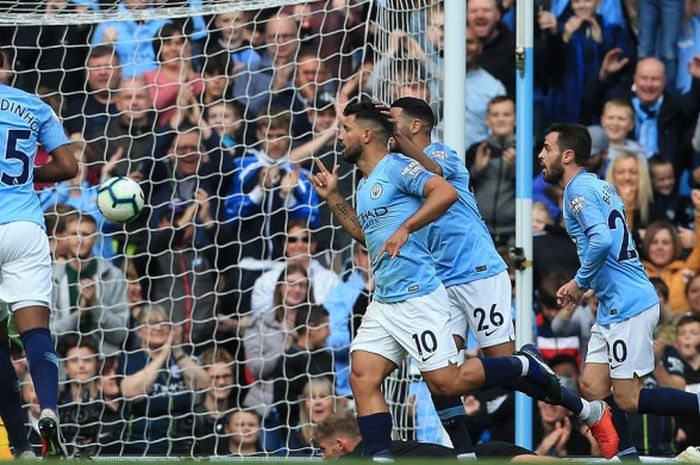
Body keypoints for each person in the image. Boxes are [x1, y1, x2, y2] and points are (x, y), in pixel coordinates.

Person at [306, 101, 564, 461]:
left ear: (366, 134)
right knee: (362, 376)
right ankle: (382, 458)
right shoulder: (365, 185)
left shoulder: (402, 165)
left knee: (446, 380)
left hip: (425, 291)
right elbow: (366, 237)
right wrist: (334, 196)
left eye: (346, 129)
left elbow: (445, 190)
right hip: (387, 298)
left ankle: (524, 365)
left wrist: (406, 228)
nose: (340, 136)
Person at [386, 97, 614, 458]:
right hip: (440, 282)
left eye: (395, 121)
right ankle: (463, 452)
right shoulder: (398, 169)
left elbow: (437, 177)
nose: (389, 127)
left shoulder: (442, 155)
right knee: (439, 372)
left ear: (414, 127)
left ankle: (585, 408)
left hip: (478, 273)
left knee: (508, 373)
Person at [540, 123, 700, 461]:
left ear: (567, 156)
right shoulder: (602, 186)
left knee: (628, 398)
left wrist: (579, 283)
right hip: (614, 305)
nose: (541, 155)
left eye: (547, 148)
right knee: (592, 388)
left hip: (630, 305)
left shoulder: (576, 192)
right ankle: (627, 459)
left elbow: (601, 240)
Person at [0, 51, 79, 458]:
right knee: (34, 332)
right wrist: (26, 175)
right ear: (5, 65)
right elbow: (68, 168)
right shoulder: (33, 105)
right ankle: (48, 407)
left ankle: (20, 443)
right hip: (25, 228)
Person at [314, 410, 559, 461]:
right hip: (485, 454)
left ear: (340, 445)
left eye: (323, 449)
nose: (322, 457)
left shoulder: (358, 458)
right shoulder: (383, 449)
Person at [50, 213, 129, 356]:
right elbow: (48, 335)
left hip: (105, 362)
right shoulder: (50, 278)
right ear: (64, 237)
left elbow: (120, 335)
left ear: (96, 238)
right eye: (74, 234)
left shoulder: (113, 275)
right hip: (62, 364)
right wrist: (78, 314)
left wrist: (95, 305)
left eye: (85, 234)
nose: (80, 240)